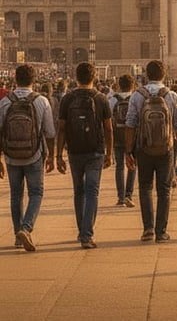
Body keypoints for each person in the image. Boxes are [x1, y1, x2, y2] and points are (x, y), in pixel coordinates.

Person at [124, 60, 177, 242]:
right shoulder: (172, 96)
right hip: (166, 148)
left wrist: (128, 151)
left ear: (146, 75)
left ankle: (148, 229)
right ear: (164, 75)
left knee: (145, 187)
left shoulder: (137, 95)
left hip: (143, 148)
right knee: (164, 190)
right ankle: (161, 231)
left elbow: (130, 124)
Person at [56, 61, 113, 249]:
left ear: (76, 77)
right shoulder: (101, 98)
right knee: (92, 191)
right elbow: (108, 128)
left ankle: (82, 229)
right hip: (95, 150)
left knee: (78, 191)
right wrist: (109, 153)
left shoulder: (67, 99)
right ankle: (86, 234)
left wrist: (58, 156)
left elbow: (62, 128)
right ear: (94, 77)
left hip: (74, 151)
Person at [0, 64, 56, 251]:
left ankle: (18, 234)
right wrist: (52, 157)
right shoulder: (41, 101)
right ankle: (26, 227)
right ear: (34, 80)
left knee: (16, 195)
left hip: (11, 156)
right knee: (36, 193)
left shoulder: (5, 102)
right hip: (34, 155)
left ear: (15, 79)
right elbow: (49, 132)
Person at [109, 73, 136, 206]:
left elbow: (108, 121)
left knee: (119, 167)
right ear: (133, 85)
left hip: (117, 136)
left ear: (119, 85)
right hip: (132, 137)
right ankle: (128, 195)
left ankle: (120, 197)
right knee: (132, 165)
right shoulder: (135, 98)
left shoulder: (113, 100)